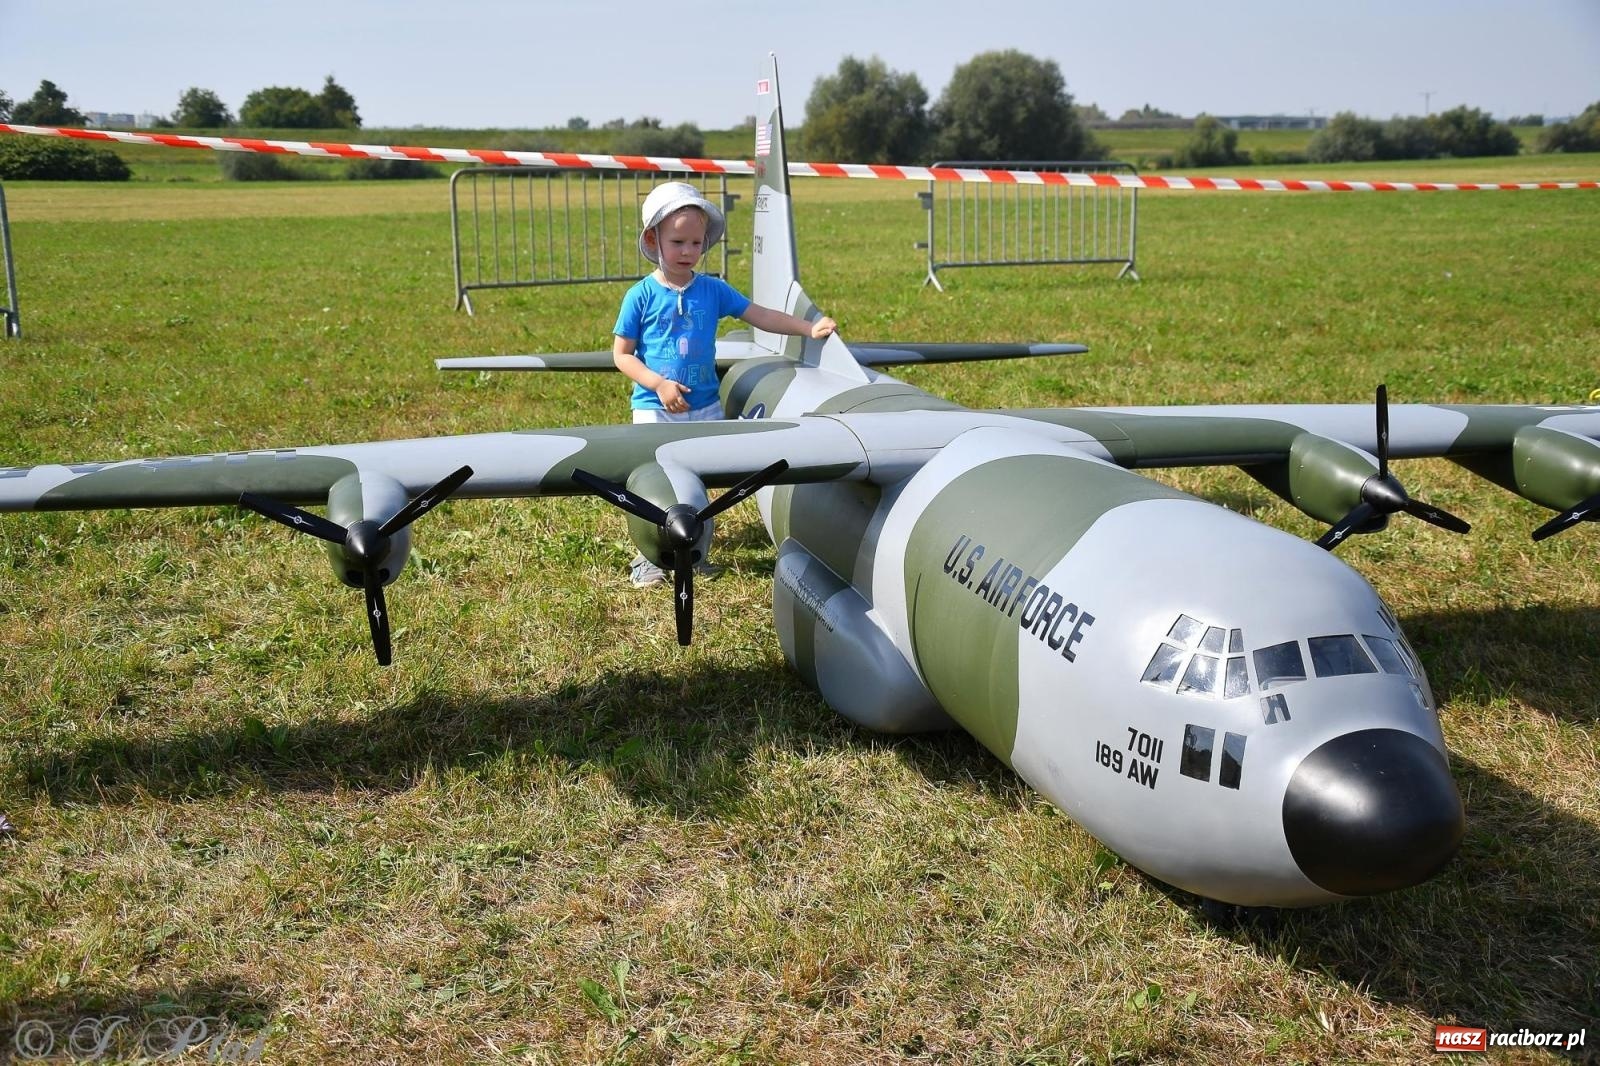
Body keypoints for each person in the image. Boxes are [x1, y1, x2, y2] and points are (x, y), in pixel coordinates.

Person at [613, 181, 836, 587]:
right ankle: (647, 557)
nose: (687, 251)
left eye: (696, 242)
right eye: (677, 241)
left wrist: (808, 327)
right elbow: (622, 355)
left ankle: (693, 551)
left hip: (705, 408)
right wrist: (658, 384)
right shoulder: (640, 296)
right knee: (654, 486)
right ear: (652, 239)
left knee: (698, 480)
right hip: (654, 408)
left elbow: (760, 315)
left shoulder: (713, 290)